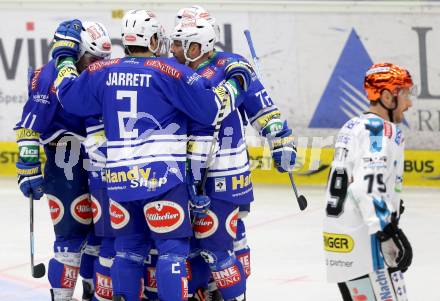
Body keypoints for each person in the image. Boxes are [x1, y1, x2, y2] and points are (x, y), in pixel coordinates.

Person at [50, 9, 253, 301]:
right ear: (155, 38)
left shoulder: (102, 71)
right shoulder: (171, 72)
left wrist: (65, 56)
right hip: (163, 182)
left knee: (127, 250)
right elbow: (209, 111)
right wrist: (237, 83)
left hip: (119, 181)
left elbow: (67, 95)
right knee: (172, 252)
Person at [170, 14, 297, 301]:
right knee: (189, 245)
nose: (174, 49)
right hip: (187, 172)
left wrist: (281, 140)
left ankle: (230, 292)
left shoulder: (232, 66)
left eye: (182, 43)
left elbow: (263, 108)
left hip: (225, 173)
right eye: (175, 42)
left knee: (222, 243)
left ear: (199, 45)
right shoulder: (175, 71)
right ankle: (205, 291)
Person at [14, 21, 111, 300]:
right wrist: (29, 166)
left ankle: (91, 291)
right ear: (78, 52)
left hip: (97, 160)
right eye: (93, 59)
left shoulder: (93, 71)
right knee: (70, 241)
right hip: (65, 158)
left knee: (99, 239)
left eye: (104, 60)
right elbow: (30, 123)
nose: (98, 66)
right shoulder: (49, 75)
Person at [323, 63, 414, 300]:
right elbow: (366, 185)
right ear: (386, 96)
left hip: (342, 242)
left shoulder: (351, 126)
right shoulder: (381, 130)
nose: (409, 103)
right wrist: (387, 231)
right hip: (368, 244)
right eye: (404, 94)